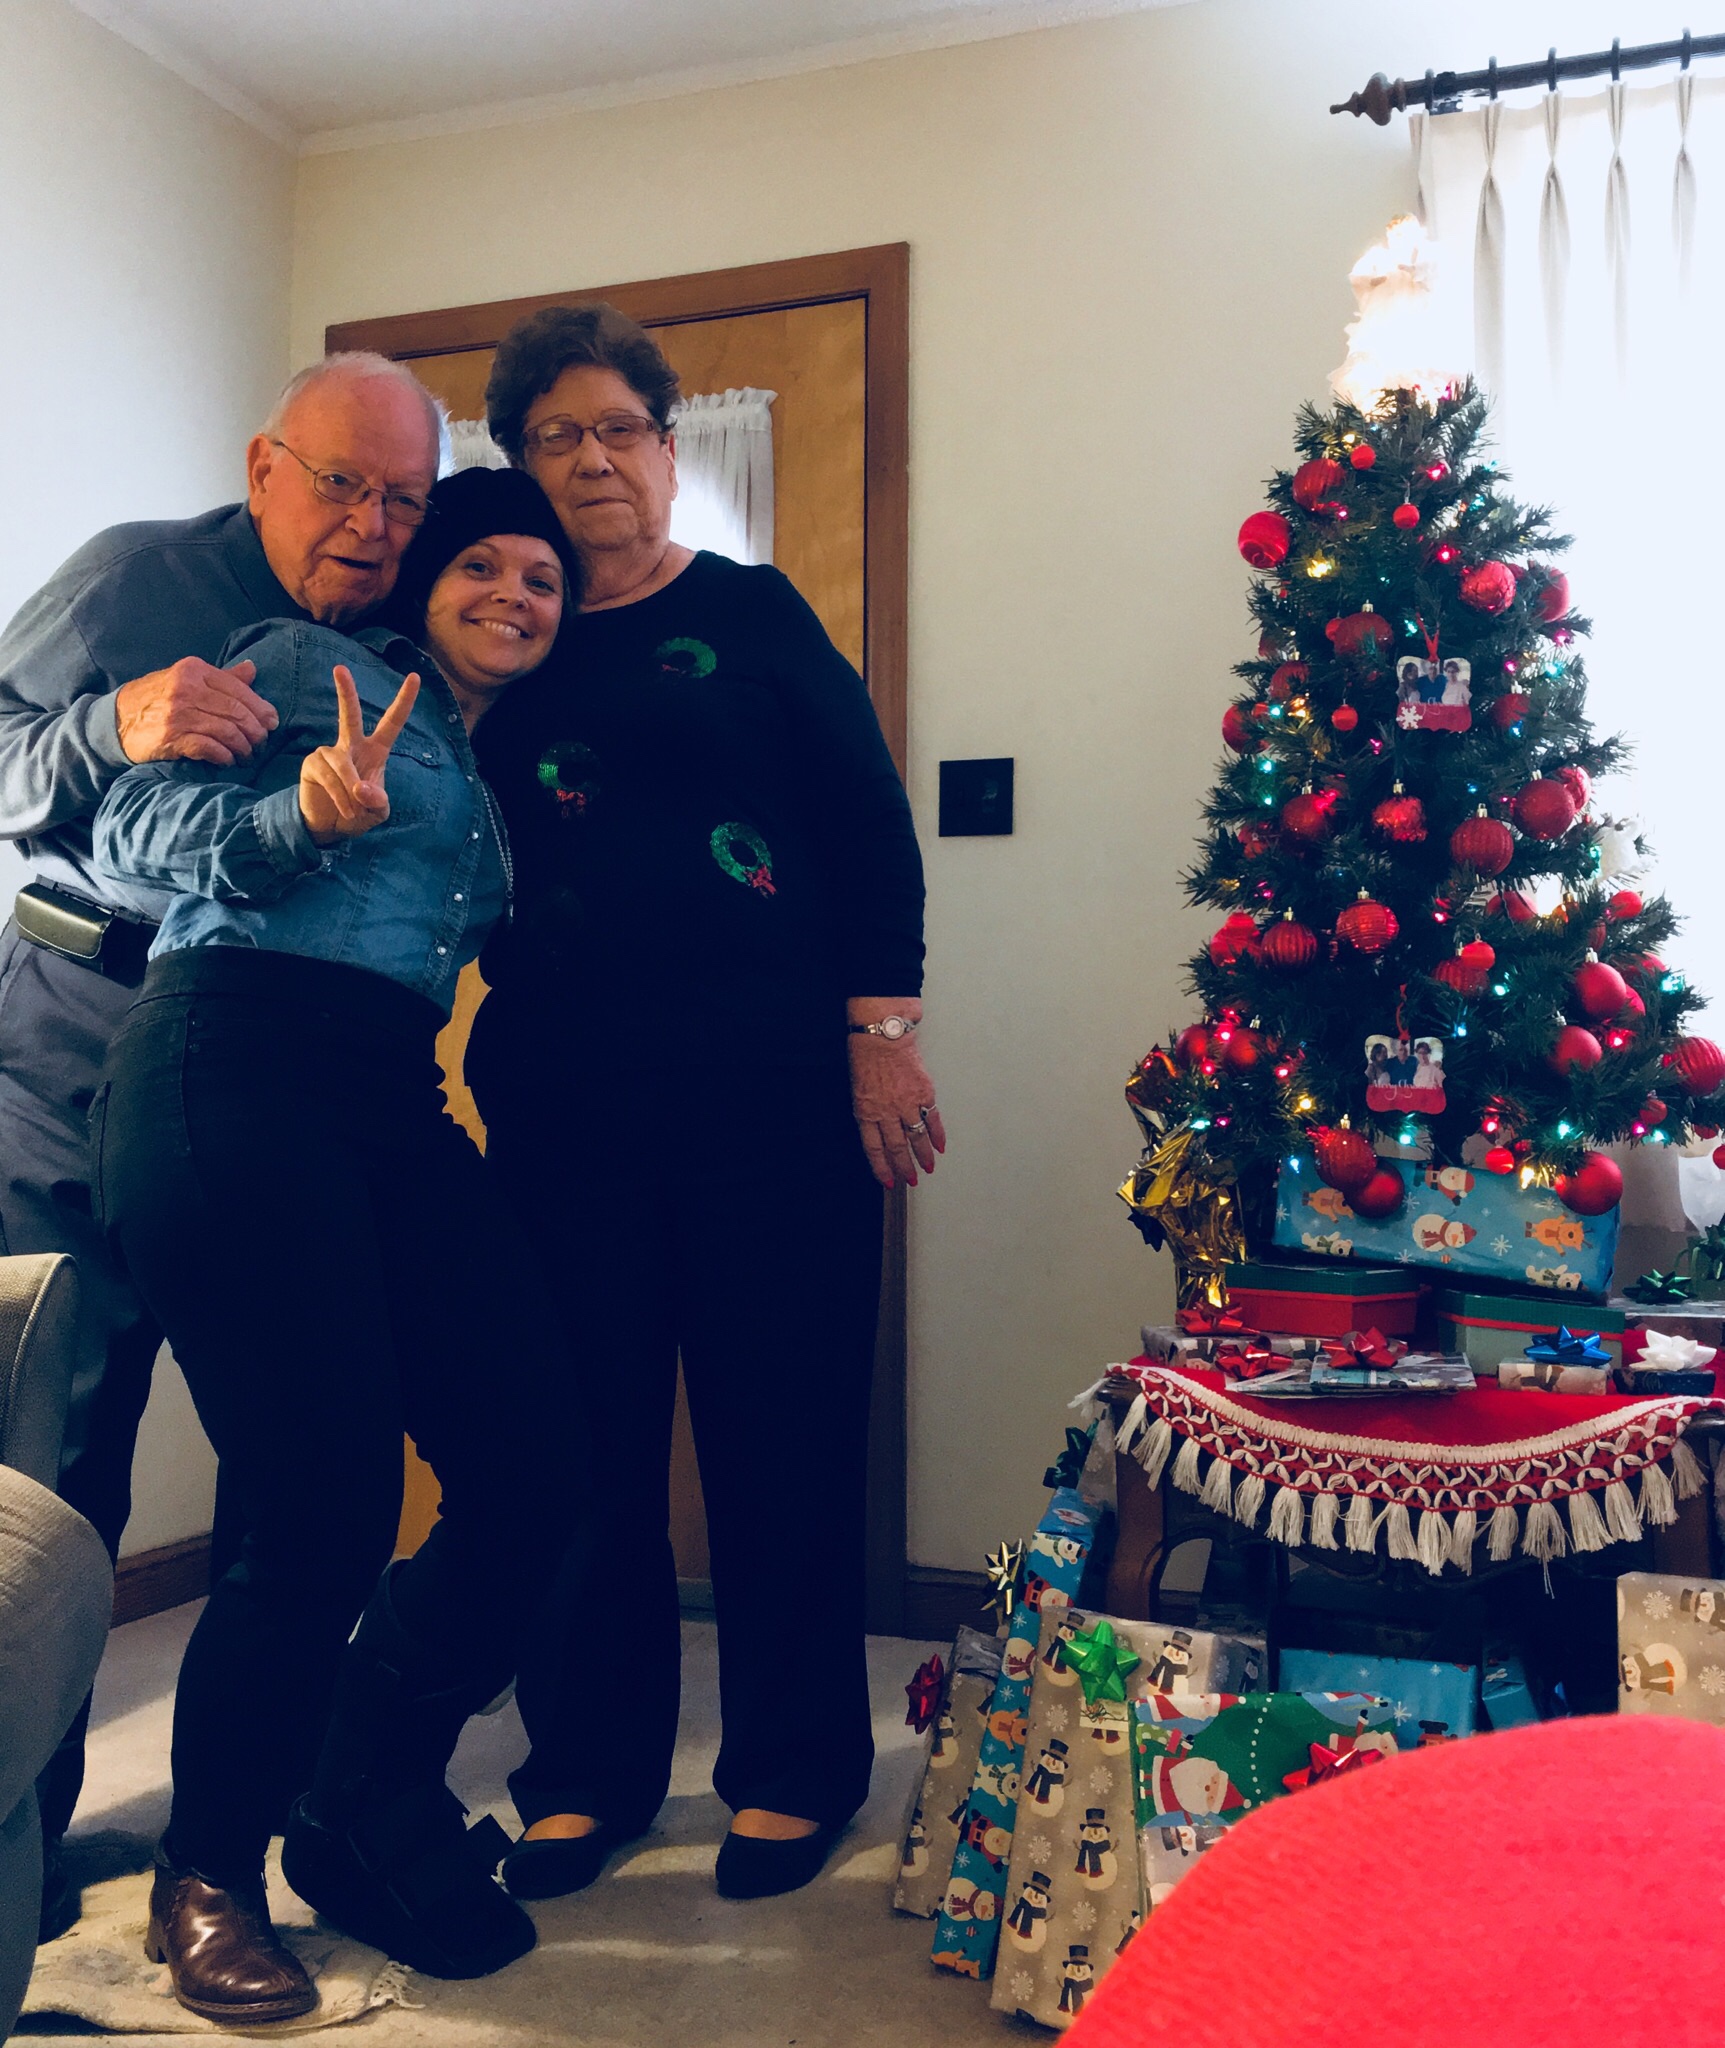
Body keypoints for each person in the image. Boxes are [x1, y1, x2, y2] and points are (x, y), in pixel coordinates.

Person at [88, 468, 583, 2023]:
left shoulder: (492, 776)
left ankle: (358, 1792)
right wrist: (296, 813)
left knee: (534, 1461)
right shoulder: (305, 665)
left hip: (385, 1096)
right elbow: (129, 828)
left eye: (543, 580)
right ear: (423, 582)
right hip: (227, 1062)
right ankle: (206, 1876)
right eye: (481, 564)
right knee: (322, 1502)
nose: (515, 594)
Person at [466, 302, 940, 1903]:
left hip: (774, 1106)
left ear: (668, 453)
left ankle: (795, 1767)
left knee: (780, 1430)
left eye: (619, 429)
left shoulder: (749, 612)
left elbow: (866, 828)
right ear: (519, 466)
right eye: (554, 437)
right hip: (560, 1112)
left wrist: (881, 1034)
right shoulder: (494, 641)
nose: (591, 460)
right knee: (579, 1443)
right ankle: (584, 1771)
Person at [0, 351, 440, 1937]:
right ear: (265, 467)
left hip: (265, 1086)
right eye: (342, 485)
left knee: (296, 1468)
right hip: (66, 1051)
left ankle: (227, 1846)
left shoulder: (409, 631)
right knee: (47, 1471)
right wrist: (108, 724)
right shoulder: (135, 580)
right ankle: (19, 1844)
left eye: (405, 499)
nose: (374, 525)